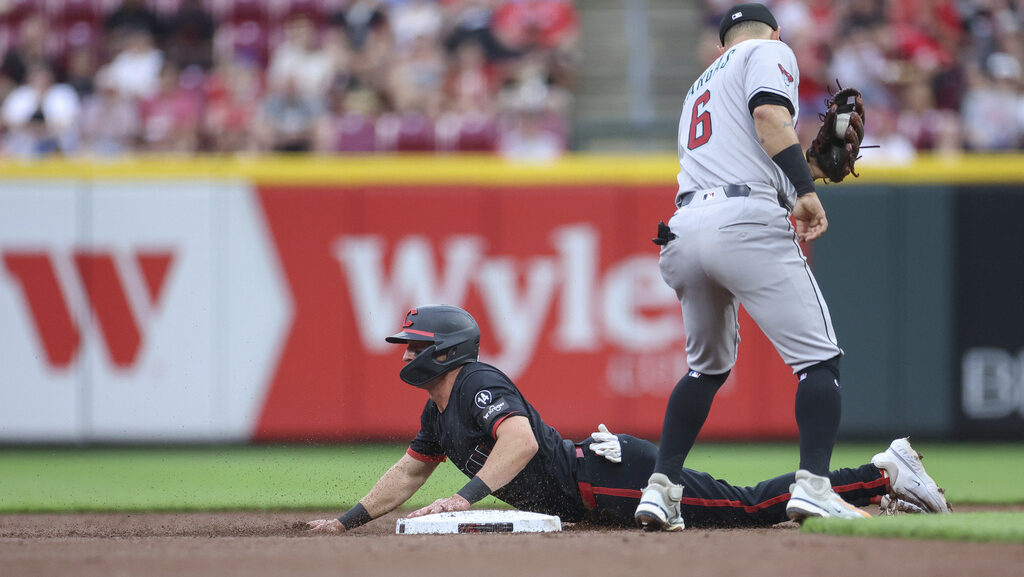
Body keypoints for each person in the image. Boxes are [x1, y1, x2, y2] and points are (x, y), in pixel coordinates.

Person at [307, 305, 950, 534]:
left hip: (608, 479)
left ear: (445, 349)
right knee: (747, 506)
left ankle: (883, 473)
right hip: (594, 491)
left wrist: (464, 497)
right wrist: (346, 522)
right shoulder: (437, 406)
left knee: (752, 508)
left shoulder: (476, 382)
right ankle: (880, 475)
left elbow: (522, 440)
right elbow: (407, 471)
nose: (408, 353)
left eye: (415, 344)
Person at [635, 3, 864, 531]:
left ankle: (661, 489)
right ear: (776, 32)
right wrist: (807, 192)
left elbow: (753, 151)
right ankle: (813, 485)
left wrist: (805, 167)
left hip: (683, 229)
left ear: (721, 45)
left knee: (706, 368)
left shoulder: (700, 87)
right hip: (744, 220)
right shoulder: (770, 50)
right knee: (819, 360)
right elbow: (768, 118)